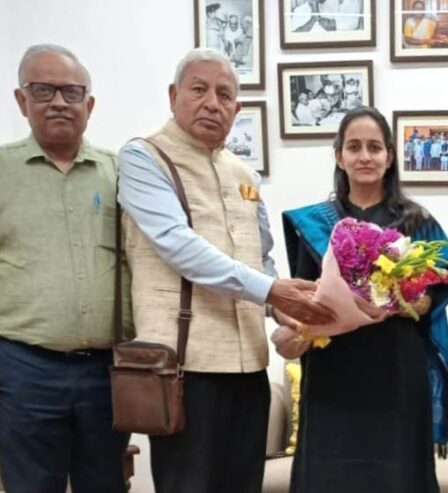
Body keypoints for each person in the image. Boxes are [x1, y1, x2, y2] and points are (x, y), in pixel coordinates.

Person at [117, 48, 335, 493]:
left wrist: (291, 312)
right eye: (199, 90)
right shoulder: (144, 158)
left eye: (224, 95)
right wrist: (273, 291)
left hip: (249, 367)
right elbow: (180, 247)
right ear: (174, 95)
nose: (211, 103)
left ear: (237, 108)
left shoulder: (243, 174)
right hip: (185, 366)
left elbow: (262, 257)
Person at [0, 44, 130, 493]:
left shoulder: (119, 173)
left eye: (71, 92)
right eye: (43, 90)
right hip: (25, 369)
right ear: (21, 100)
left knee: (106, 483)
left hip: (107, 370)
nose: (59, 102)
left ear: (90, 105)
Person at [277, 106, 448, 493]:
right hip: (332, 376)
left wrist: (404, 299)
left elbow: (437, 289)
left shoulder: (417, 222)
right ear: (339, 156)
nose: (365, 156)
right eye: (354, 147)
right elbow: (301, 296)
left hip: (396, 372)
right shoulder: (314, 222)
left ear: (389, 157)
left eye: (375, 148)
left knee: (396, 477)